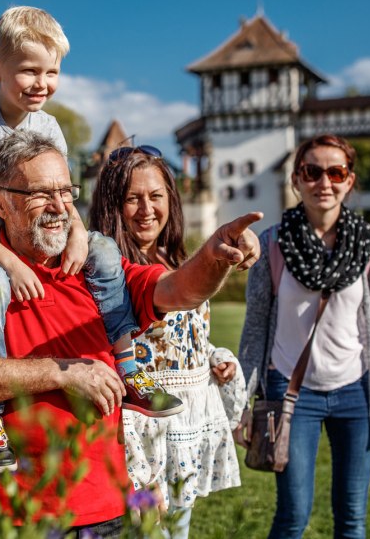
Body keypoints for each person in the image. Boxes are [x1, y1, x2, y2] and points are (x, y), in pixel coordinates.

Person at [0, 129, 262, 537]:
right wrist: (61, 372)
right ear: (0, 201)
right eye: (40, 194)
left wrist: (214, 257)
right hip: (10, 515)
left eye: (65, 191)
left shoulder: (98, 270)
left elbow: (179, 290)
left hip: (106, 511)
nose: (59, 207)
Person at [0, 6, 179, 473]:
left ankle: (128, 366)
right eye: (29, 71)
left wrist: (79, 234)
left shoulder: (47, 125)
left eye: (52, 72)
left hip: (15, 224)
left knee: (103, 249)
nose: (41, 83)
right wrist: (11, 263)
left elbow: (61, 195)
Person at [237, 134, 370, 539]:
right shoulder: (272, 243)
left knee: (352, 518)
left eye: (336, 172)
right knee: (293, 516)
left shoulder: (368, 242)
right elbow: (255, 326)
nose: (324, 182)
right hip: (289, 391)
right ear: (296, 180)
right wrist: (241, 402)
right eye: (312, 171)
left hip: (355, 389)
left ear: (349, 181)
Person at [89, 145, 245, 539]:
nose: (147, 209)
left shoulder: (173, 258)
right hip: (142, 442)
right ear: (112, 205)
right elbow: (108, 360)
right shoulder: (106, 271)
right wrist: (141, 475)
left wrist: (213, 357)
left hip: (183, 435)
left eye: (156, 196)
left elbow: (180, 338)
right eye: (133, 198)